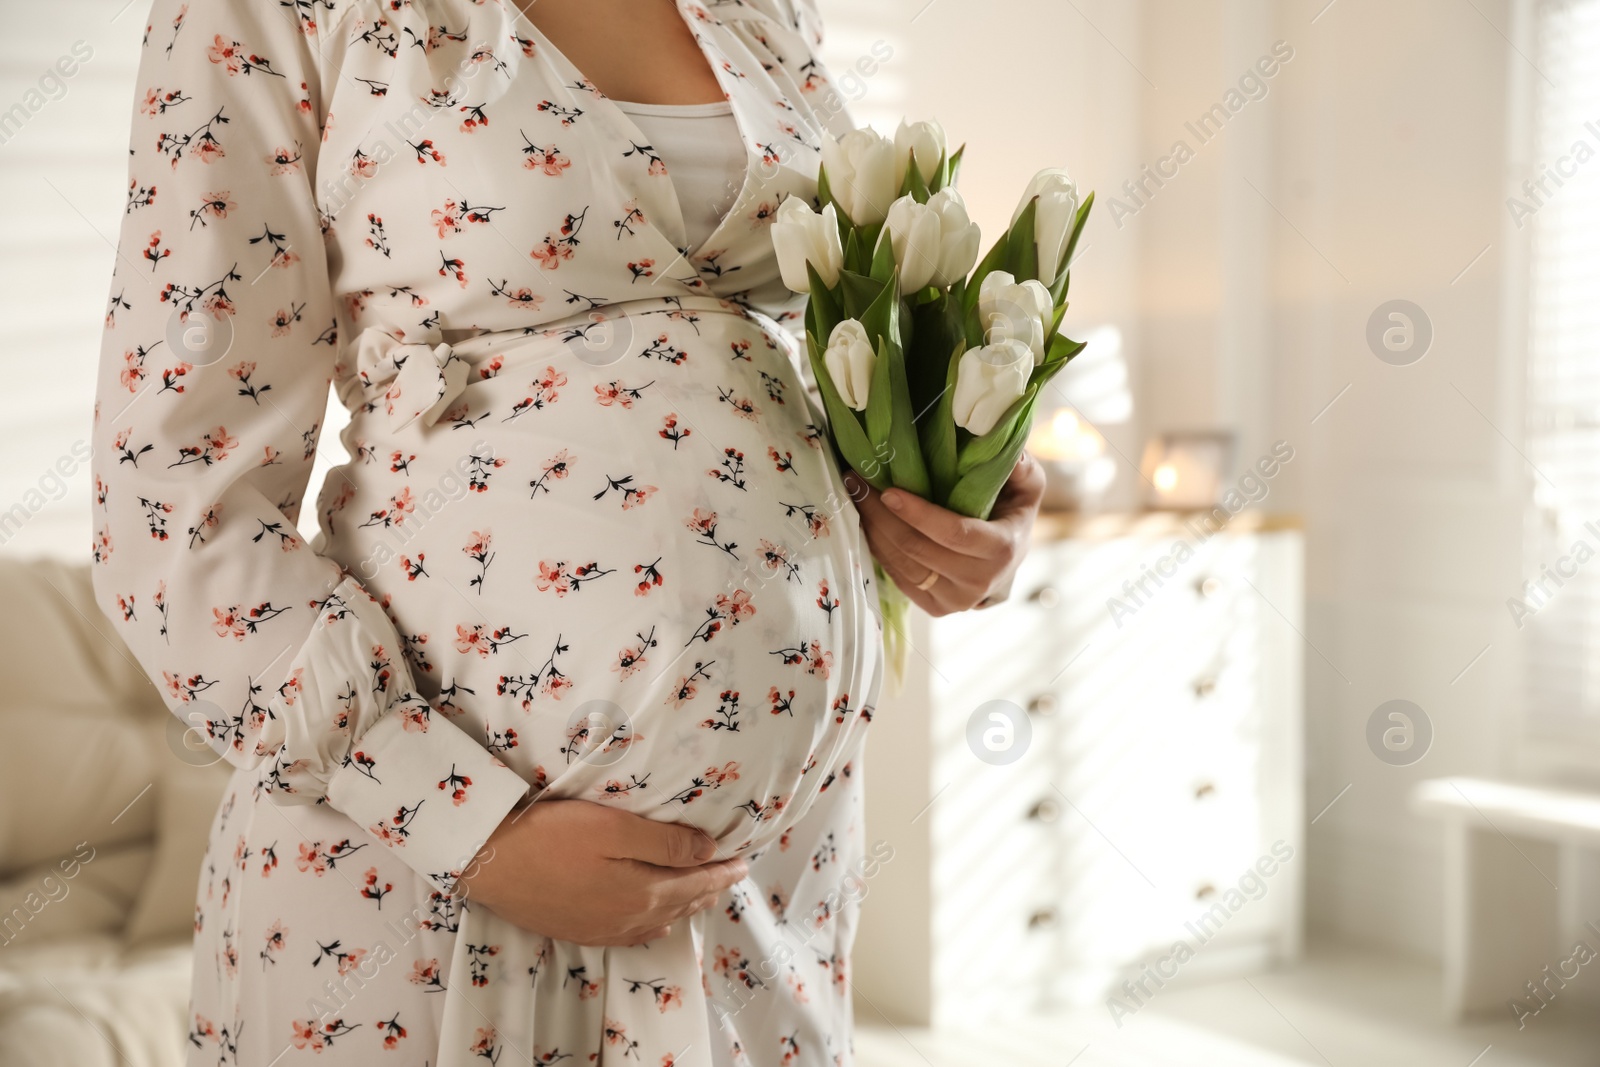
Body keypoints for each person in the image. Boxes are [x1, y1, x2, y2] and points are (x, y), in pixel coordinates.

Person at [89, 0, 1043, 1062]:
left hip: (760, 898)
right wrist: (468, 828)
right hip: (419, 877)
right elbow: (169, 496)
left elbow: (769, 360)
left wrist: (948, 492)